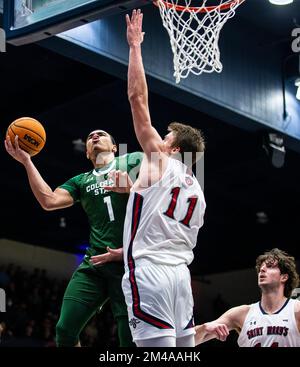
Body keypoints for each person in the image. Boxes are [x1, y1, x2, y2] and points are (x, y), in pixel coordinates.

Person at [4, 130, 143, 347]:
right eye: (89, 137)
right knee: (64, 330)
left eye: (101, 134)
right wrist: (26, 161)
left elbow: (164, 194)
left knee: (129, 342)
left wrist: (133, 188)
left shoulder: (134, 160)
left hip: (130, 264)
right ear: (87, 153)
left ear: (115, 148)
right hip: (95, 264)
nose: (95, 136)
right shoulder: (81, 181)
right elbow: (48, 201)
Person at [121, 9, 206, 347]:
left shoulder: (158, 158)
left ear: (172, 147)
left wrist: (135, 47)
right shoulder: (197, 188)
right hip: (180, 278)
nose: (159, 137)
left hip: (150, 273)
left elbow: (137, 99)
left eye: (165, 135)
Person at [195, 248, 300, 347]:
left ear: (284, 277)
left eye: (270, 266)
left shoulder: (296, 310)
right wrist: (203, 328)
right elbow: (188, 341)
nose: (262, 269)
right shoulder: (241, 313)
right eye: (261, 268)